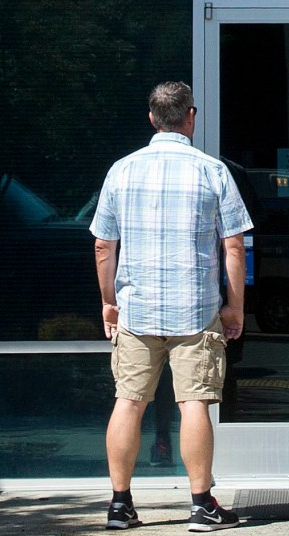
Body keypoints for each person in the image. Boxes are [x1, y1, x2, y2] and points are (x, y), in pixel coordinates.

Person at [91, 81, 252, 532]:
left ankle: (120, 505)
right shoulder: (212, 170)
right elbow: (234, 245)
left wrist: (109, 303)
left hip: (137, 309)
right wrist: (235, 306)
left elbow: (104, 245)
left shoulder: (121, 171)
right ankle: (201, 505)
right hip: (195, 310)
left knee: (128, 402)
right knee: (194, 403)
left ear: (151, 119)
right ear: (191, 117)